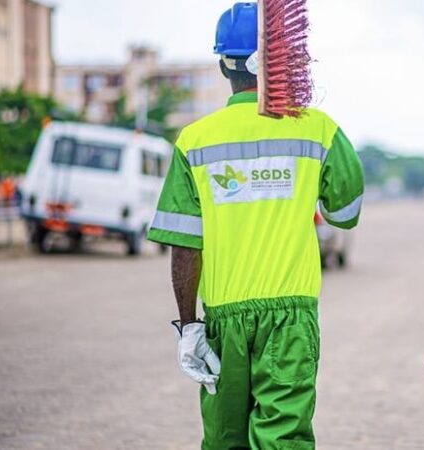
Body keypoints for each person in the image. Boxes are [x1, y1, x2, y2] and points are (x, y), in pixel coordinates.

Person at [147, 3, 364, 449]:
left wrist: (189, 327)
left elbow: (185, 245)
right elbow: (345, 213)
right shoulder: (319, 130)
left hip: (222, 318)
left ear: (223, 63)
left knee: (225, 439)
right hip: (290, 317)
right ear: (283, 57)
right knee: (284, 438)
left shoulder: (194, 141)